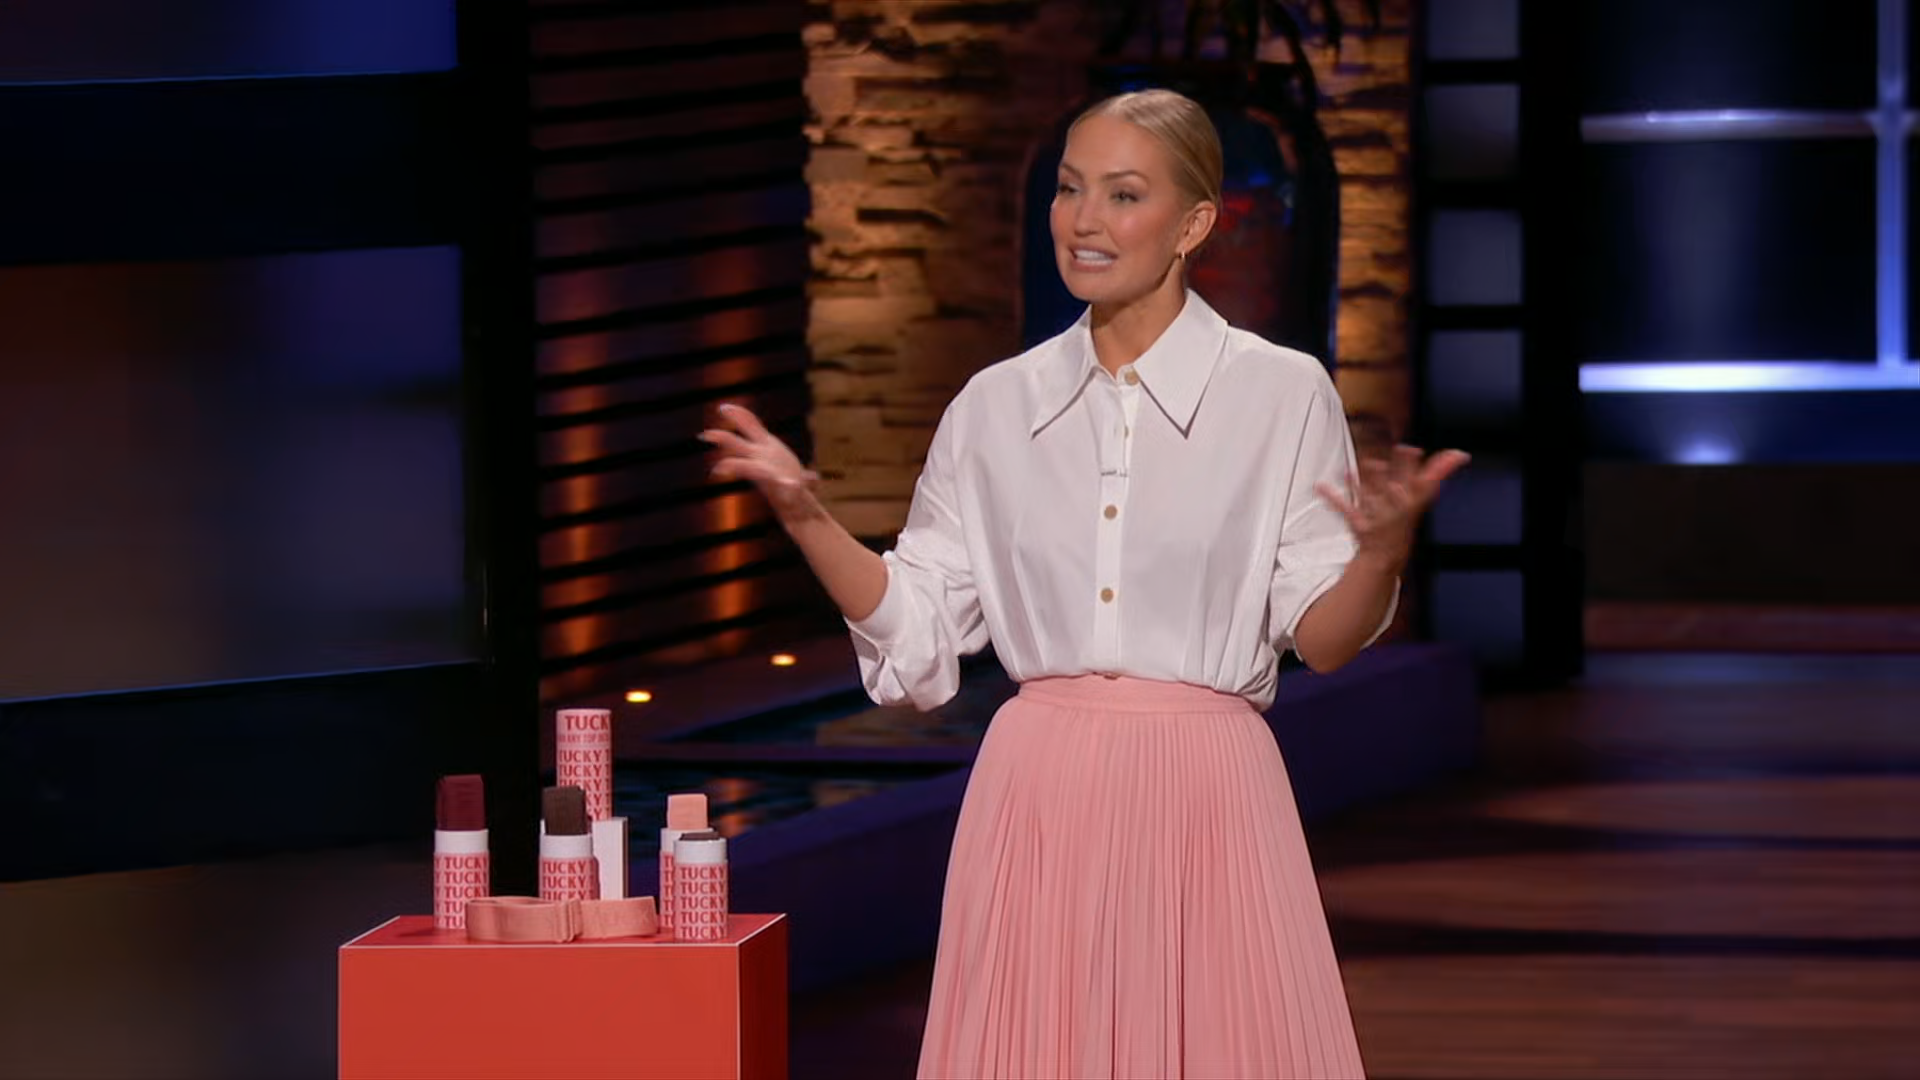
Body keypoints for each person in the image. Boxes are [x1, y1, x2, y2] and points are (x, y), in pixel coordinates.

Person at [702, 87, 1468, 1080]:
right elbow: (919, 634)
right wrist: (807, 516)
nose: (1084, 220)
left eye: (1123, 194)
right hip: (1037, 796)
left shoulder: (1280, 394)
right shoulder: (994, 407)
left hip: (1208, 797)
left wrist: (1379, 556)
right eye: (1069, 189)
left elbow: (1321, 642)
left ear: (1194, 224)